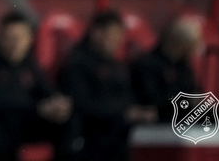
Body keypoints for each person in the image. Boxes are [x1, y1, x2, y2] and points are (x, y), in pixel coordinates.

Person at [0, 11, 72, 161]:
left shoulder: (29, 63)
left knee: (70, 123)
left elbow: (45, 89)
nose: (15, 43)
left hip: (26, 121)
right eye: (10, 38)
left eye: (20, 37)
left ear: (30, 39)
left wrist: (57, 103)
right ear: (0, 38)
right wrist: (37, 108)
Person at [60, 10, 158, 161]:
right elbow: (80, 103)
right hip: (87, 139)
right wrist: (124, 112)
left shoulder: (117, 66)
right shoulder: (77, 63)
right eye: (113, 35)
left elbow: (128, 95)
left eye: (120, 35)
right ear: (96, 33)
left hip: (116, 137)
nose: (117, 40)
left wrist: (137, 111)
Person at [131, 17, 201, 122]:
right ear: (177, 42)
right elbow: (152, 99)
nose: (190, 52)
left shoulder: (183, 65)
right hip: (159, 118)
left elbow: (193, 90)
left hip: (183, 114)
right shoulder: (147, 64)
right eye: (188, 47)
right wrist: (183, 99)